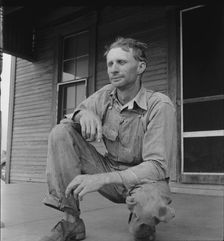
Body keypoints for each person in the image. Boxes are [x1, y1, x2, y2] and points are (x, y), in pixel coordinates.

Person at [40, 37, 176, 241]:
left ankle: (141, 214)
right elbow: (73, 116)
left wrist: (101, 179)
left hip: (146, 182)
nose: (113, 69)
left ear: (140, 67)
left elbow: (157, 166)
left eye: (121, 62)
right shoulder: (106, 95)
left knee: (145, 222)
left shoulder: (159, 105)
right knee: (61, 132)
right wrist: (83, 114)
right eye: (110, 63)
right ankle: (71, 222)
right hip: (110, 170)